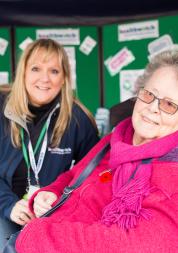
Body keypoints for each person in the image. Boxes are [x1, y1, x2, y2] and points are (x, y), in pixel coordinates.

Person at [15, 49, 178, 253]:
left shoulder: (172, 170)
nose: (153, 107)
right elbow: (75, 175)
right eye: (149, 94)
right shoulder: (116, 139)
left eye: (169, 104)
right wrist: (52, 192)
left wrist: (37, 236)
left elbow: (141, 245)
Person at [0, 39, 99, 250]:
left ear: (64, 78)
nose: (44, 79)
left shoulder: (78, 118)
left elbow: (94, 175)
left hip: (51, 214)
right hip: (4, 210)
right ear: (23, 72)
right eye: (36, 68)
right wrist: (8, 205)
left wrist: (60, 199)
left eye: (54, 71)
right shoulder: (2, 108)